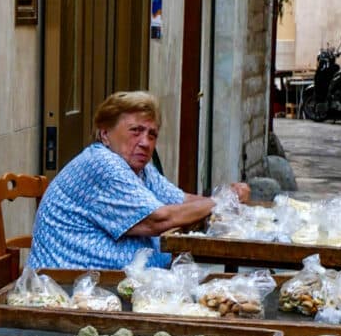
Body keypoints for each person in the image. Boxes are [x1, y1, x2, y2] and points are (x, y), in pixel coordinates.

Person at [28, 90, 249, 270]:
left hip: (119, 284)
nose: (145, 142)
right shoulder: (102, 163)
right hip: (71, 286)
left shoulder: (140, 168)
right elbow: (158, 220)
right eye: (136, 131)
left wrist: (226, 194)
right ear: (105, 134)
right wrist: (221, 201)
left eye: (152, 135)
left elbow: (180, 201)